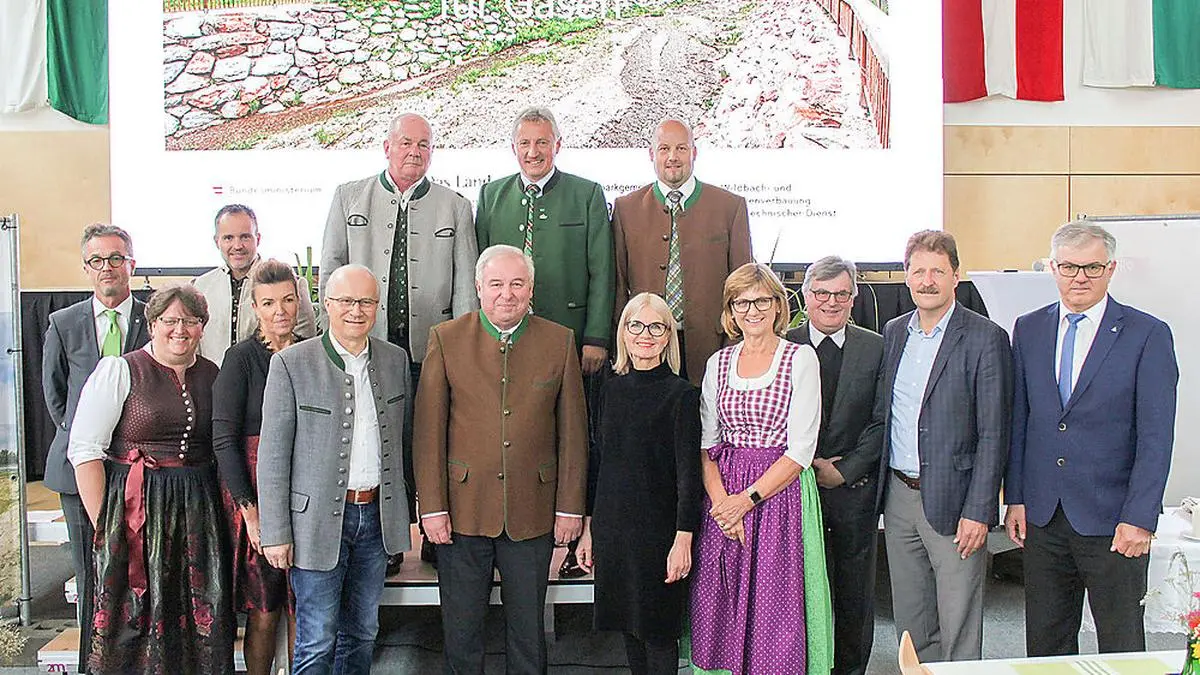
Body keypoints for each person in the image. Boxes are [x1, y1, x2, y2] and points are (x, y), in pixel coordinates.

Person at [414, 244, 589, 675]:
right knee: (462, 632)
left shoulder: (559, 340)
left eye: (516, 284)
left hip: (533, 513)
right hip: (460, 513)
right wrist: (431, 507)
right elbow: (428, 433)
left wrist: (570, 508)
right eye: (496, 284)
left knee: (528, 635)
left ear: (531, 289)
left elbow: (573, 433)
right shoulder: (447, 338)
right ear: (478, 288)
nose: (506, 294)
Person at [1005, 221, 1178, 656]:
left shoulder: (1147, 334)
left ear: (1111, 269)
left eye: (1092, 267)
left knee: (1121, 643)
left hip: (1114, 522)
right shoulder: (1028, 329)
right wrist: (1017, 498)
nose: (1079, 277)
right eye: (1069, 266)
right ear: (1053, 268)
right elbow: (1021, 421)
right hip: (1044, 519)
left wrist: (1140, 517)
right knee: (1046, 644)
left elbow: (1156, 437)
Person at [321, 112, 479, 571]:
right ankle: (387, 542)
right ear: (386, 147)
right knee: (377, 442)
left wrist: (464, 355)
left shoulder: (455, 206)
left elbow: (467, 288)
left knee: (431, 442)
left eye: (424, 145)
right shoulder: (350, 197)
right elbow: (330, 272)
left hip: (431, 352)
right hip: (365, 352)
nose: (415, 152)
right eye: (406, 143)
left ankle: (433, 533)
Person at [475, 106, 613, 578]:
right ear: (513, 148)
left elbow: (602, 273)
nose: (533, 152)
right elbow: (483, 276)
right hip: (507, 346)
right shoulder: (491, 196)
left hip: (572, 347)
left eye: (542, 142)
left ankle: (576, 544)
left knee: (575, 439)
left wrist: (595, 337)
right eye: (525, 143)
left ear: (558, 144)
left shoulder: (587, 195)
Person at [67, 284, 235, 673]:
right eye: (170, 321)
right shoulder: (121, 369)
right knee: (133, 617)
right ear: (153, 323)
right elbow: (85, 451)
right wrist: (107, 529)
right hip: (137, 508)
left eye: (190, 321)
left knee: (198, 615)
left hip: (198, 511)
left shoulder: (212, 373)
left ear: (202, 326)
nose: (180, 330)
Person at [257, 264, 412, 674]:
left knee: (363, 631)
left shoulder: (396, 361)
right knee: (317, 638)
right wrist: (275, 533)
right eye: (345, 301)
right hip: (315, 527)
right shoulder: (291, 364)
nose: (355, 311)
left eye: (365, 302)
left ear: (377, 308)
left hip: (375, 519)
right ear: (327, 305)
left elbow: (405, 440)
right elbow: (272, 456)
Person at [876, 230, 1012, 663]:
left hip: (957, 505)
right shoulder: (894, 331)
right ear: (906, 276)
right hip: (899, 497)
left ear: (956, 275)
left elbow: (994, 431)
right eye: (919, 271)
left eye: (938, 270)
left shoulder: (984, 337)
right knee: (911, 622)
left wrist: (979, 510)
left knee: (959, 622)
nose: (928, 280)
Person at [690, 262, 832, 675]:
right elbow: (707, 443)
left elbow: (801, 449)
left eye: (761, 300)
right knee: (720, 603)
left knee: (775, 608)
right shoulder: (718, 363)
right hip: (724, 493)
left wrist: (745, 501)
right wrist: (722, 505)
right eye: (741, 302)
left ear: (777, 306)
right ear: (730, 310)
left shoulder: (799, 359)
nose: (751, 310)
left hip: (777, 498)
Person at [42, 224, 150, 673]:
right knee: (91, 576)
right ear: (87, 267)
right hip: (77, 473)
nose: (108, 267)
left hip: (142, 470)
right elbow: (54, 394)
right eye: (98, 260)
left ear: (132, 263)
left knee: (141, 571)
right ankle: (94, 663)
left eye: (117, 258)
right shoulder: (62, 323)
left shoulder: (156, 317)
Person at [576, 292, 702, 675]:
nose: (644, 335)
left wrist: (684, 538)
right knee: (628, 626)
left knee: (659, 632)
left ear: (667, 337)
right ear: (623, 333)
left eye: (655, 326)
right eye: (635, 325)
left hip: (660, 533)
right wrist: (588, 529)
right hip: (614, 528)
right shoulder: (607, 388)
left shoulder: (682, 395)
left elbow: (688, 475)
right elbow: (598, 462)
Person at [785, 255, 884, 675]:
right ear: (806, 296)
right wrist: (804, 465)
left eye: (841, 294)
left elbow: (884, 419)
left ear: (854, 296)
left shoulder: (876, 346)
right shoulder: (782, 343)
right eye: (821, 293)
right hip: (791, 490)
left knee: (852, 598)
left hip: (852, 492)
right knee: (797, 597)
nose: (831, 302)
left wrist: (845, 469)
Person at [212, 260, 305, 675]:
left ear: (299, 301)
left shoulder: (313, 352)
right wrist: (250, 511)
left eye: (287, 299)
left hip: (305, 492)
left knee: (307, 605)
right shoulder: (240, 358)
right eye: (269, 302)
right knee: (265, 610)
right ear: (255, 306)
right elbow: (224, 441)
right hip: (255, 496)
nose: (280, 310)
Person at [611, 118, 753, 383]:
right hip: (646, 351)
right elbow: (619, 285)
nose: (672, 157)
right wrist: (621, 348)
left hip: (710, 349)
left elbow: (742, 287)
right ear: (652, 154)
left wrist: (734, 343)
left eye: (681, 148)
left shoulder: (730, 207)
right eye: (664, 149)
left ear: (694, 152)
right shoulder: (625, 209)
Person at [193, 204, 317, 366]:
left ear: (257, 239)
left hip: (271, 383)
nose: (237, 246)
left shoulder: (290, 284)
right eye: (228, 238)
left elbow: (305, 347)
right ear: (217, 241)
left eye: (245, 237)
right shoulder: (201, 287)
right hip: (214, 387)